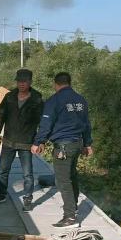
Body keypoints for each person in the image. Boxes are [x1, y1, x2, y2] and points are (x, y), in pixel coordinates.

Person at [31, 72, 93, 228]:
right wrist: (87, 144)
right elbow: (86, 124)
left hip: (63, 147)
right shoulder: (81, 100)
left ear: (55, 84)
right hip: (77, 144)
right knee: (72, 176)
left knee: (62, 180)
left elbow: (46, 124)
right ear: (69, 83)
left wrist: (38, 142)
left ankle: (70, 217)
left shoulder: (54, 100)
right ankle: (73, 205)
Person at [0, 68, 44, 211]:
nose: (21, 84)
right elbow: (1, 115)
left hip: (26, 143)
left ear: (30, 82)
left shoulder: (37, 98)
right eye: (19, 81)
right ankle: (1, 195)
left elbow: (42, 122)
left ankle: (27, 199)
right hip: (8, 141)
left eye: (24, 81)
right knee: (3, 171)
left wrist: (40, 142)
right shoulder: (9, 97)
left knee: (27, 174)